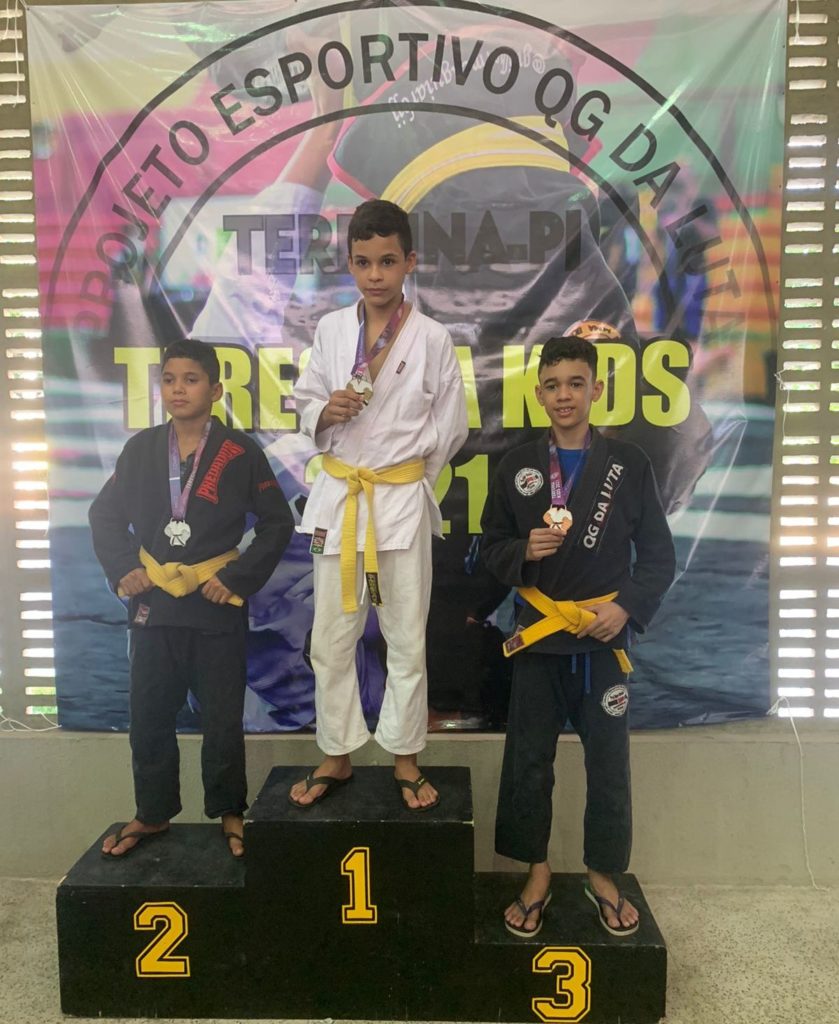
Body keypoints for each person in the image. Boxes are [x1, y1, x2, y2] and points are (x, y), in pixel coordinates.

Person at [481, 336, 675, 937]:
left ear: (596, 389)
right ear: (538, 395)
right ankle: (536, 872)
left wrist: (626, 609)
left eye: (575, 383)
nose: (564, 395)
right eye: (552, 385)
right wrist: (523, 550)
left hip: (602, 642)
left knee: (609, 764)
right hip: (540, 640)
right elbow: (489, 549)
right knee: (528, 763)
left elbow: (659, 557)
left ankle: (602, 873)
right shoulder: (517, 466)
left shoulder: (628, 464)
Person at [290, 198, 468, 810]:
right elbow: (305, 399)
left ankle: (405, 756)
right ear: (349, 264)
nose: (375, 275)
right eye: (364, 262)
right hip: (340, 499)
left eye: (388, 261)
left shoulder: (433, 338)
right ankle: (337, 752)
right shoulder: (331, 330)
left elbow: (450, 427)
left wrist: (408, 478)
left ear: (409, 262)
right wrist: (324, 412)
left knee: (406, 639)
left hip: (398, 503)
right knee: (329, 639)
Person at [89, 338, 294, 858]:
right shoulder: (141, 450)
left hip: (214, 606)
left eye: (191, 380)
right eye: (169, 380)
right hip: (155, 606)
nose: (178, 389)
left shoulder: (240, 451)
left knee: (222, 720)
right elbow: (104, 514)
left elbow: (277, 522)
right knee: (149, 716)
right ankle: (152, 812)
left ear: (216, 390)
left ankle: (230, 811)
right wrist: (125, 568)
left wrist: (238, 578)